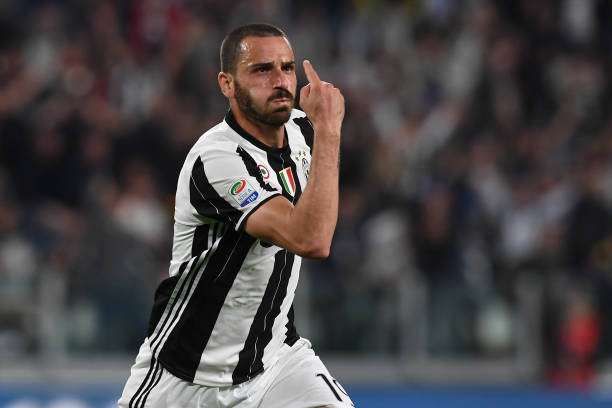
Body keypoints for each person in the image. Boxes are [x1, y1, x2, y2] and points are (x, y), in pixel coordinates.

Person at [118, 23, 352, 407]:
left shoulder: (301, 131)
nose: (280, 81)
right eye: (262, 70)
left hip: (275, 362)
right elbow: (311, 238)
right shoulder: (217, 159)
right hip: (186, 379)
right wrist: (328, 130)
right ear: (226, 84)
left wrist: (322, 130)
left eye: (287, 68)